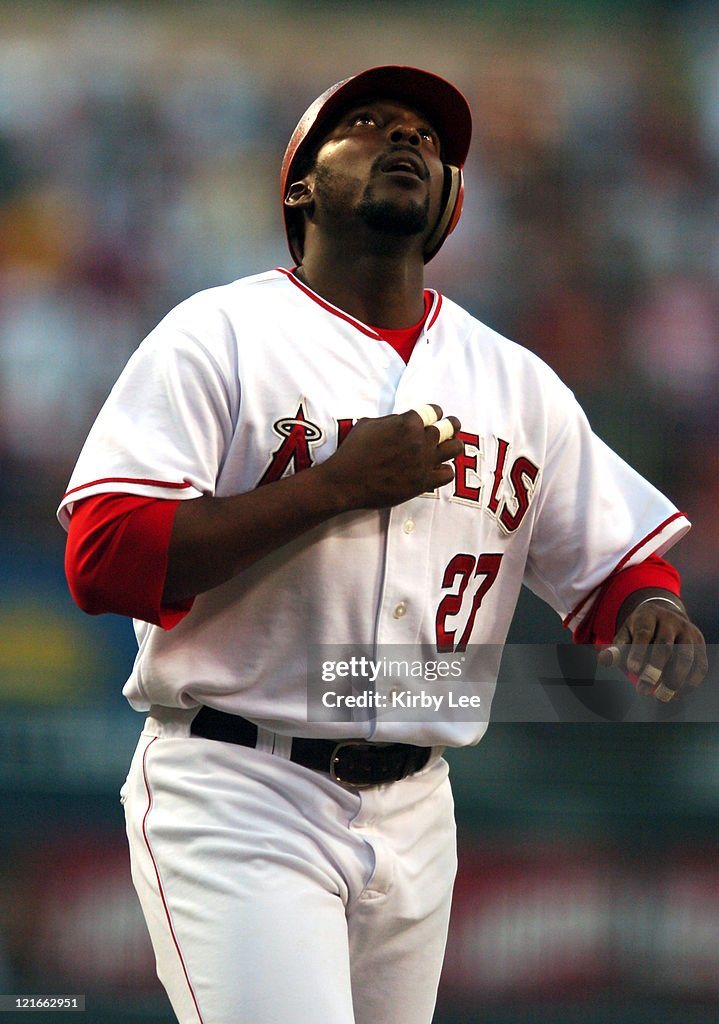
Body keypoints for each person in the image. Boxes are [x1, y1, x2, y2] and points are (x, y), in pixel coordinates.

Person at [58, 66, 707, 1024]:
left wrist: (649, 612)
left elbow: (614, 565)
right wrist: (330, 488)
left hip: (418, 806)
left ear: (448, 203)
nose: (404, 139)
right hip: (240, 787)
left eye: (426, 139)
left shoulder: (514, 381)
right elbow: (102, 557)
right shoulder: (220, 334)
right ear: (300, 187)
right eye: (364, 124)